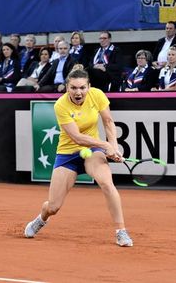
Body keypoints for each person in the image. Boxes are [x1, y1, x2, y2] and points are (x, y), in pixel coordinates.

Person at [23, 65, 133, 247]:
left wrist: (113, 146)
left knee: (106, 183)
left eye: (82, 87)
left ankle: (121, 231)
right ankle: (41, 218)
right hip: (67, 153)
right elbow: (77, 137)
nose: (78, 92)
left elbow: (108, 121)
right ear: (67, 88)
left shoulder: (97, 95)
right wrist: (105, 145)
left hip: (92, 152)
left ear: (89, 87)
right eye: (73, 88)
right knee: (53, 206)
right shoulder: (61, 105)